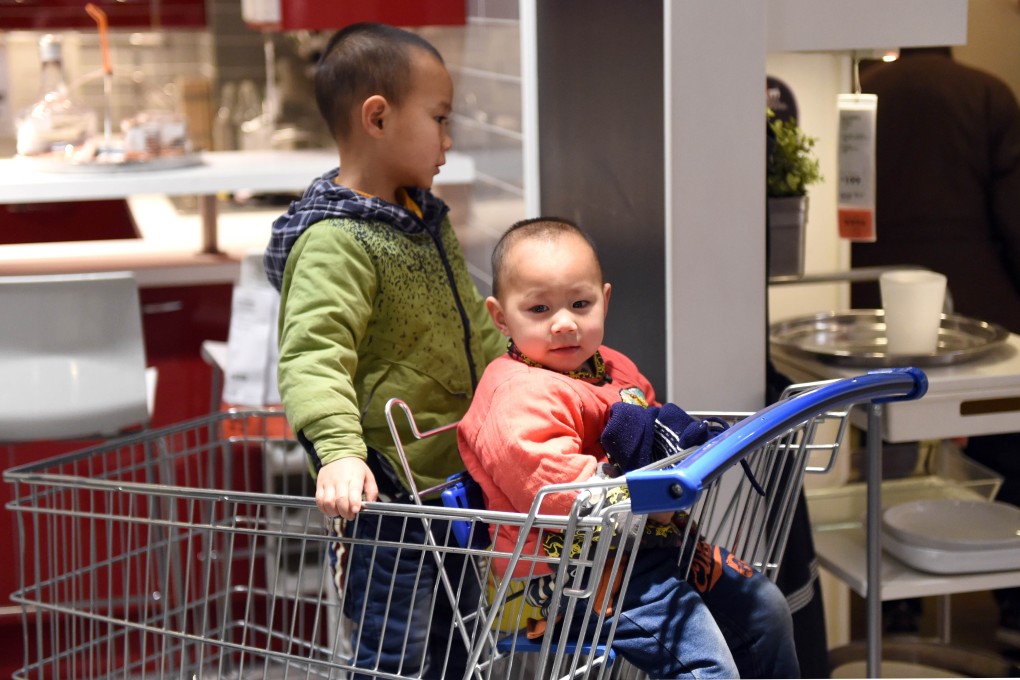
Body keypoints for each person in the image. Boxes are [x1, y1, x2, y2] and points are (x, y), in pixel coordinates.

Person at [457, 217, 801, 679]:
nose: (564, 323)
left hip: (647, 547)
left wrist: (682, 448)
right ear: (501, 317)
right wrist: (650, 498)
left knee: (764, 609)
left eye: (581, 304)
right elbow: (557, 493)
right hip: (567, 574)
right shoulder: (516, 394)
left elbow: (655, 432)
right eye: (539, 309)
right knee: (707, 666)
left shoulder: (614, 367)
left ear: (605, 299)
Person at [263, 22, 505, 678]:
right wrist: (339, 452)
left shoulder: (424, 219)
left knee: (460, 646)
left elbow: (475, 328)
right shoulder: (336, 241)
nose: (448, 141)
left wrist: (529, 373)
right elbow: (314, 354)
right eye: (439, 119)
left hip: (451, 481)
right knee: (394, 656)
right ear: (378, 117)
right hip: (388, 494)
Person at [850, 46, 1020, 645]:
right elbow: (1014, 214)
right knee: (1005, 452)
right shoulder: (987, 92)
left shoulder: (862, 88)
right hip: (977, 307)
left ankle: (894, 613)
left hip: (873, 302)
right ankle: (1012, 608)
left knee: (885, 456)